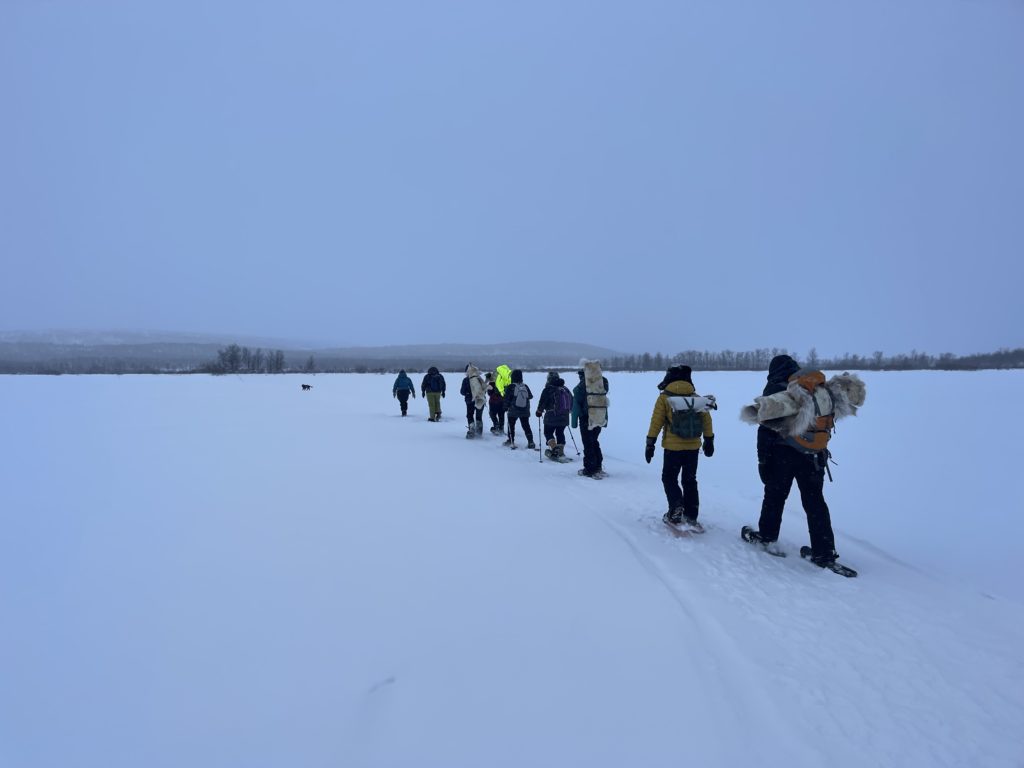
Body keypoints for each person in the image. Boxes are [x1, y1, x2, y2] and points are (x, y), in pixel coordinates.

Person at [741, 355, 845, 564]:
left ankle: (767, 537)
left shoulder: (777, 389)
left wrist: (763, 461)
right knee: (814, 501)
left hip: (783, 454)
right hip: (814, 454)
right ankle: (824, 552)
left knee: (774, 496)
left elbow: (766, 430)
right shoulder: (812, 388)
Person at [645, 365, 715, 531]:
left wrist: (650, 443)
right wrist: (709, 439)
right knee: (690, 479)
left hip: (672, 448)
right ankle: (691, 514)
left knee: (669, 478)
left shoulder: (664, 398)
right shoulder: (695, 397)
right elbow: (706, 420)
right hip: (693, 448)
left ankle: (676, 508)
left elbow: (656, 421)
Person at [571, 363, 609, 477]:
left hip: (586, 418)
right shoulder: (603, 381)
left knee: (588, 443)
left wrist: (573, 423)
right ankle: (598, 466)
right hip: (599, 416)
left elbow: (576, 403)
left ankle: (589, 469)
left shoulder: (583, 384)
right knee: (594, 441)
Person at [536, 371, 573, 460]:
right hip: (564, 416)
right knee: (560, 433)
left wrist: (539, 411)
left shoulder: (548, 389)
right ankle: (560, 452)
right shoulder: (565, 389)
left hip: (551, 415)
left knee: (548, 432)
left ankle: (554, 449)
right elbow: (572, 401)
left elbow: (542, 402)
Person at [502, 369, 535, 449]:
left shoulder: (511, 386)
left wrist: (505, 407)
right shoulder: (525, 386)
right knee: (526, 426)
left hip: (513, 410)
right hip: (525, 410)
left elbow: (507, 398)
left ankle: (511, 441)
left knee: (511, 425)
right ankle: (531, 442)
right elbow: (530, 396)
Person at [460, 363, 487, 438]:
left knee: (470, 415)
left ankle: (471, 430)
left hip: (469, 401)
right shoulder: (479, 379)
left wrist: (467, 393)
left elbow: (462, 392)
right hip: (480, 400)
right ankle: (479, 432)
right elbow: (485, 390)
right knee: (479, 416)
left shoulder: (466, 380)